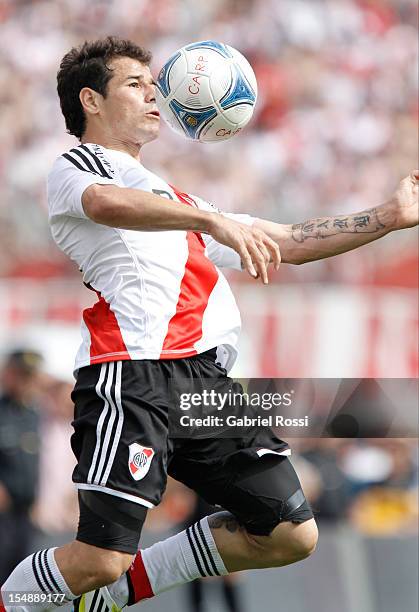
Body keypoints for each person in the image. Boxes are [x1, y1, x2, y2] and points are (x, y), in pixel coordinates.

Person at [1, 36, 417, 612]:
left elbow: (292, 242)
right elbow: (104, 204)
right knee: (98, 557)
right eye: (135, 84)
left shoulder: (175, 197)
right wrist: (210, 220)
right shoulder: (77, 165)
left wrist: (390, 218)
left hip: (209, 384)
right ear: (91, 101)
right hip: (134, 373)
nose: (154, 94)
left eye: (153, 84)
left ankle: (118, 594)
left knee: (289, 532)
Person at [0, 350, 43, 586]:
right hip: (2, 515)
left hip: (25, 513)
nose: (27, 382)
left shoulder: (34, 414)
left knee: (22, 583)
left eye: (30, 376)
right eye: (22, 375)